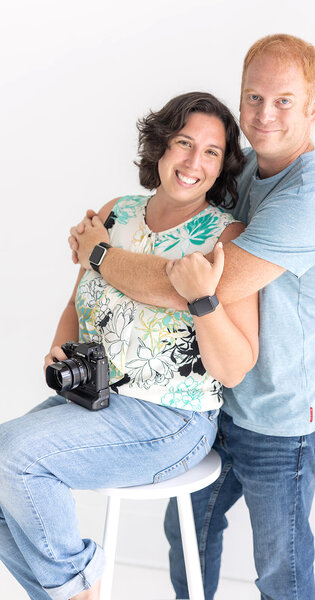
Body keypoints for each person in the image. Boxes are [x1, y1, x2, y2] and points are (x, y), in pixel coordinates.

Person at [69, 34, 315, 600]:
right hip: (211, 403)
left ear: (314, 105)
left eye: (284, 101)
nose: (264, 114)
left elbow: (192, 287)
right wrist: (109, 234)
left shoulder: (312, 198)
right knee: (190, 536)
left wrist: (99, 255)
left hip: (282, 420)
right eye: (253, 98)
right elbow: (174, 237)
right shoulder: (240, 170)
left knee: (280, 567)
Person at [0, 92, 259, 600]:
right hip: (93, 399)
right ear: (160, 146)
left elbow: (234, 369)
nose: (193, 162)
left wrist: (202, 299)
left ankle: (80, 590)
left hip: (171, 420)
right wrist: (61, 348)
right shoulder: (116, 214)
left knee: (14, 458)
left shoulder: (225, 237)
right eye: (184, 142)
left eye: (210, 151)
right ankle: (73, 590)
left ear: (222, 165)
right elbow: (79, 302)